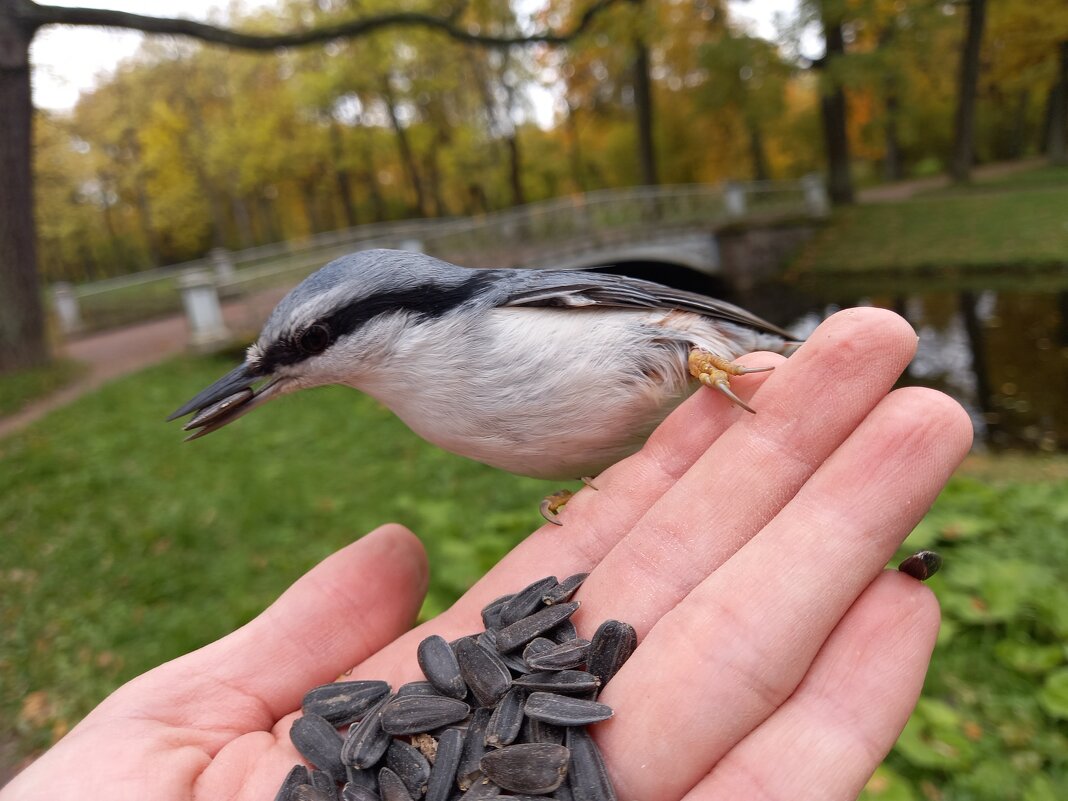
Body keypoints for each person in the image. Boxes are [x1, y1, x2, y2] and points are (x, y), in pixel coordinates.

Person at [0, 308, 973, 801]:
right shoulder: (432, 405)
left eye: (303, 348)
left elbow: (637, 311)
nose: (280, 374)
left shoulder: (483, 320)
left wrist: (711, 348)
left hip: (689, 353)